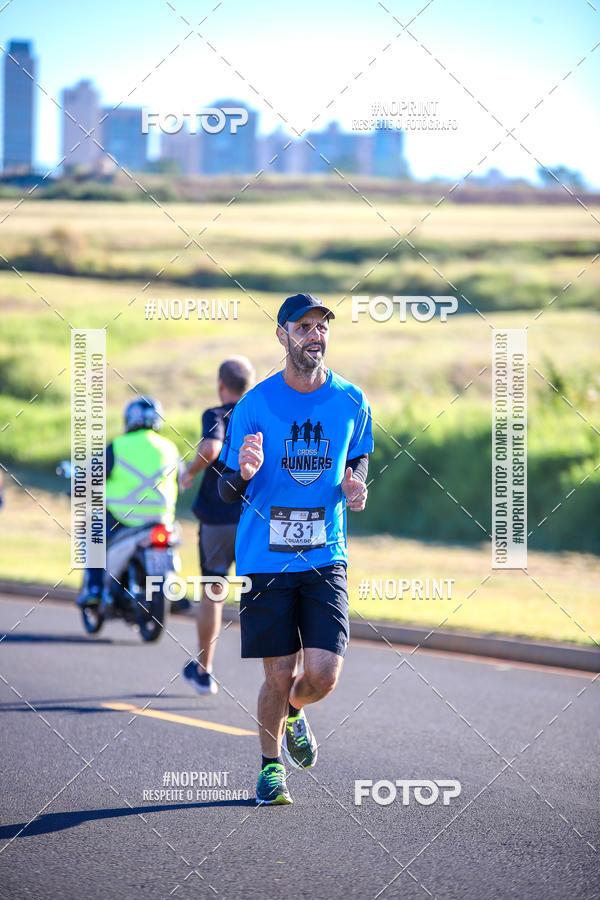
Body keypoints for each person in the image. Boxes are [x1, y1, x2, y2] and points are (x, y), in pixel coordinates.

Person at [218, 292, 373, 805]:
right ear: (281, 335)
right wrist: (243, 473)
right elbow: (225, 490)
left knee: (323, 675)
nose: (315, 334)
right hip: (266, 559)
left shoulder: (351, 400)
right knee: (280, 674)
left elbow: (359, 456)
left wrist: (355, 483)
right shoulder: (255, 404)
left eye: (321, 326)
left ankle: (294, 710)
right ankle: (270, 769)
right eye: (303, 326)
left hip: (325, 553)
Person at [180, 356, 255, 696]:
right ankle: (283, 678)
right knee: (267, 594)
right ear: (250, 384)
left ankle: (204, 670)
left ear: (220, 385)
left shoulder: (216, 414)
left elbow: (211, 447)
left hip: (218, 517)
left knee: (213, 591)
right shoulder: (259, 416)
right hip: (255, 519)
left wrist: (190, 472)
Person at [77, 396, 181, 611]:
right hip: (161, 519)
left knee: (91, 531)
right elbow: (182, 480)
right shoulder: (171, 448)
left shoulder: (119, 446)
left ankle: (94, 588)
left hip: (122, 517)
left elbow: (92, 477)